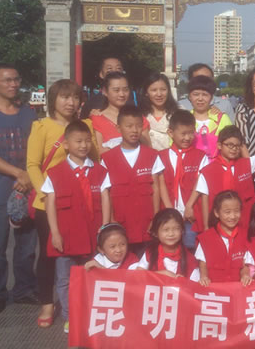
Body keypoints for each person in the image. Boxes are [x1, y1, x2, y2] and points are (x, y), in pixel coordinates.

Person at [26, 79, 96, 326]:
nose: (71, 102)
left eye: (75, 97)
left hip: (81, 204)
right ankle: (48, 303)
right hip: (49, 205)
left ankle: (80, 301)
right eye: (65, 97)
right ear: (53, 100)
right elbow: (33, 165)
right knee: (49, 255)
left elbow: (96, 160)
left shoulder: (87, 125)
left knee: (83, 253)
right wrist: (46, 195)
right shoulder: (41, 126)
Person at [42, 120, 109, 332]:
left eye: (87, 141)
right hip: (67, 237)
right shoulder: (54, 173)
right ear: (66, 144)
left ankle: (90, 313)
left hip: (92, 236)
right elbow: (50, 205)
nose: (83, 145)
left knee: (93, 275)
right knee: (65, 279)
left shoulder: (99, 171)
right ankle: (70, 316)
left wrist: (105, 229)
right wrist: (55, 233)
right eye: (78, 141)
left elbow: (106, 199)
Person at [0, 63, 38, 316]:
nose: (13, 84)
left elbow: (36, 150)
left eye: (16, 79)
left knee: (27, 246)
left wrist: (28, 177)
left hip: (27, 190)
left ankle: (24, 289)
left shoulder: (28, 114)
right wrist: (18, 173)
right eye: (7, 80)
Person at [100, 105, 163, 255]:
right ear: (118, 128)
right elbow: (106, 194)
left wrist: (155, 218)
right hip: (122, 226)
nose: (134, 130)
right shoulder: (107, 159)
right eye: (129, 126)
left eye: (138, 126)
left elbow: (156, 188)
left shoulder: (152, 155)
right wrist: (111, 221)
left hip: (147, 224)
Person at [156, 111, 208, 250]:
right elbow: (161, 184)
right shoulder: (161, 156)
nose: (187, 137)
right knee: (169, 250)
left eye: (191, 133)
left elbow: (200, 183)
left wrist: (189, 206)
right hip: (168, 213)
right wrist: (169, 209)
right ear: (171, 133)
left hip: (190, 214)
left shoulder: (200, 156)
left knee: (190, 248)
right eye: (183, 134)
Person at [193, 126, 255, 232]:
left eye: (237, 146)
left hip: (245, 224)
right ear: (219, 145)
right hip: (218, 225)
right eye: (230, 145)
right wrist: (206, 227)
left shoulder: (247, 164)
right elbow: (205, 200)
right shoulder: (207, 171)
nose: (234, 149)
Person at [195, 190, 249, 285]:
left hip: (237, 288)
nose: (232, 216)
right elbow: (202, 263)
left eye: (236, 211)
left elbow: (245, 264)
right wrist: (204, 277)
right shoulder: (206, 238)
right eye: (227, 212)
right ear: (217, 213)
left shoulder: (246, 236)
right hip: (214, 288)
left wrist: (245, 275)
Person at [130, 209, 199, 280]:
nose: (171, 234)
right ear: (156, 233)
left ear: (182, 231)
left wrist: (183, 281)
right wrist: (164, 274)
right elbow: (138, 275)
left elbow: (195, 284)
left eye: (176, 229)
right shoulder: (149, 253)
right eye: (166, 230)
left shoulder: (189, 259)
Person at [90, 72, 150, 154]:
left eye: (125, 90)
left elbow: (148, 147)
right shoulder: (97, 119)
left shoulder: (137, 116)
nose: (122, 94)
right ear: (105, 91)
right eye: (116, 90)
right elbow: (99, 151)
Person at [189, 75, 232, 160]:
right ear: (190, 97)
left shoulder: (222, 119)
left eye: (205, 95)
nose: (200, 99)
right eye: (196, 94)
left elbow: (232, 146)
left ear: (211, 97)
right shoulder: (183, 120)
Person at [140, 73, 178, 151]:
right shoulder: (139, 116)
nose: (159, 94)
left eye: (163, 89)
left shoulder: (178, 113)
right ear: (146, 93)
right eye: (154, 90)